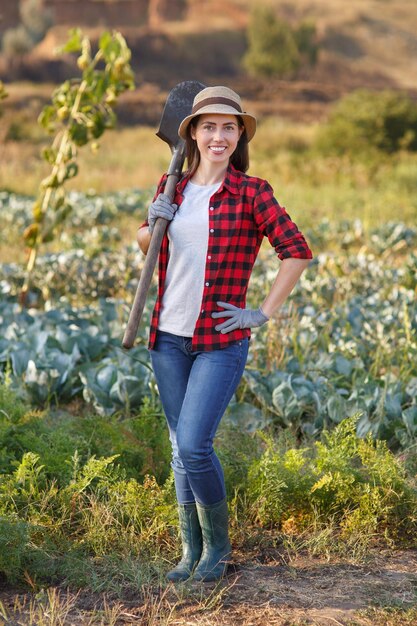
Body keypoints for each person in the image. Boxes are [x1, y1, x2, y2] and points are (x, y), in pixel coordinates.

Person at [137, 85, 313, 583]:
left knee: (194, 445)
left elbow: (296, 250)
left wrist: (262, 312)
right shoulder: (170, 184)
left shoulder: (252, 192)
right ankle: (189, 551)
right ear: (191, 132)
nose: (219, 136)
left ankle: (217, 547)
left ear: (239, 136)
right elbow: (146, 245)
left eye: (229, 127)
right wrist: (152, 224)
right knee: (178, 449)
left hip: (220, 340)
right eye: (208, 126)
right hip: (167, 337)